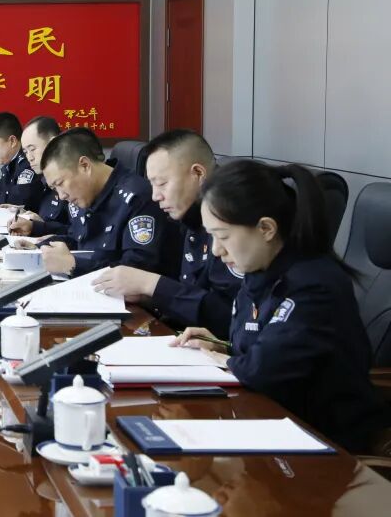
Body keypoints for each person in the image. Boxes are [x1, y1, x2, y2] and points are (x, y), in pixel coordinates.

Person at [174, 160, 387, 453]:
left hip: (323, 444)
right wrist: (222, 346)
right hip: (269, 423)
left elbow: (262, 370)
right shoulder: (259, 272)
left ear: (266, 228)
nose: (216, 250)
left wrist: (224, 360)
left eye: (223, 236)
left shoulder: (314, 285)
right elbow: (264, 347)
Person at [91, 130, 242, 338]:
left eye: (162, 183)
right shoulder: (188, 215)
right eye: (152, 184)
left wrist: (151, 284)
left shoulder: (232, 221)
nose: (155, 196)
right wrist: (146, 295)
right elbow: (191, 294)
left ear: (198, 174)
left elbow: (231, 316)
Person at [37, 128, 174, 277]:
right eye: (54, 188)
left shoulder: (138, 199)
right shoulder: (85, 196)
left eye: (60, 183)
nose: (61, 195)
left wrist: (73, 264)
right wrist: (38, 248)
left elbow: (136, 271)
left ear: (85, 166)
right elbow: (80, 241)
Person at [7, 116, 71, 237]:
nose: (29, 157)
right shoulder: (42, 181)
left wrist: (40, 226)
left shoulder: (72, 181)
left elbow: (78, 234)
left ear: (53, 144)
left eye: (32, 149)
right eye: (26, 152)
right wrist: (26, 216)